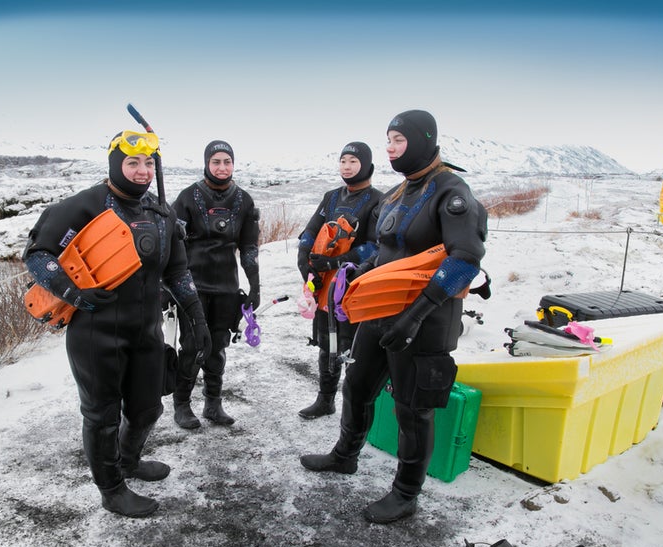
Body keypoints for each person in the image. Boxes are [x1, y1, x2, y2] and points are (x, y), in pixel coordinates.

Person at [300, 110, 488, 524]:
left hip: (427, 319)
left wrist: (417, 316)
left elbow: (466, 259)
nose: (390, 147)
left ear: (423, 141)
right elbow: (383, 252)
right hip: (382, 312)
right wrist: (354, 276)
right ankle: (345, 456)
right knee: (357, 386)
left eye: (398, 140)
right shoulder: (398, 193)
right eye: (387, 139)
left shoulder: (451, 193)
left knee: (412, 409)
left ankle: (405, 493)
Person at [23, 130, 211, 518]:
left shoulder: (160, 213)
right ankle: (111, 489)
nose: (142, 171)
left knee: (147, 410)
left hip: (145, 330)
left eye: (149, 163)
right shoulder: (85, 206)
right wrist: (73, 292)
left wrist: (196, 314)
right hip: (96, 333)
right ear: (115, 164)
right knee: (102, 416)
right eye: (132, 163)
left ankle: (128, 460)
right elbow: (38, 255)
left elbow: (177, 270)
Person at [169, 140, 260, 429]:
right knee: (193, 345)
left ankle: (213, 403)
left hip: (226, 287)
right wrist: (165, 286)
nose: (222, 167)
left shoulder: (244, 200)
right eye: (216, 161)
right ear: (207, 163)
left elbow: (248, 247)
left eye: (227, 162)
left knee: (218, 345)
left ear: (233, 164)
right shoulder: (188, 197)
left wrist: (254, 286)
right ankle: (182, 405)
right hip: (191, 286)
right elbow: (171, 245)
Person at [296, 142, 383, 419]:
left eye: (353, 161)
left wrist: (336, 262)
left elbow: (375, 246)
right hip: (325, 283)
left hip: (355, 282)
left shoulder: (377, 200)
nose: (347, 166)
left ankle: (355, 405)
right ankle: (325, 399)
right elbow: (311, 231)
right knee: (326, 343)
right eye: (343, 161)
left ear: (367, 166)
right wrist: (305, 257)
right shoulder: (331, 196)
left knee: (352, 346)